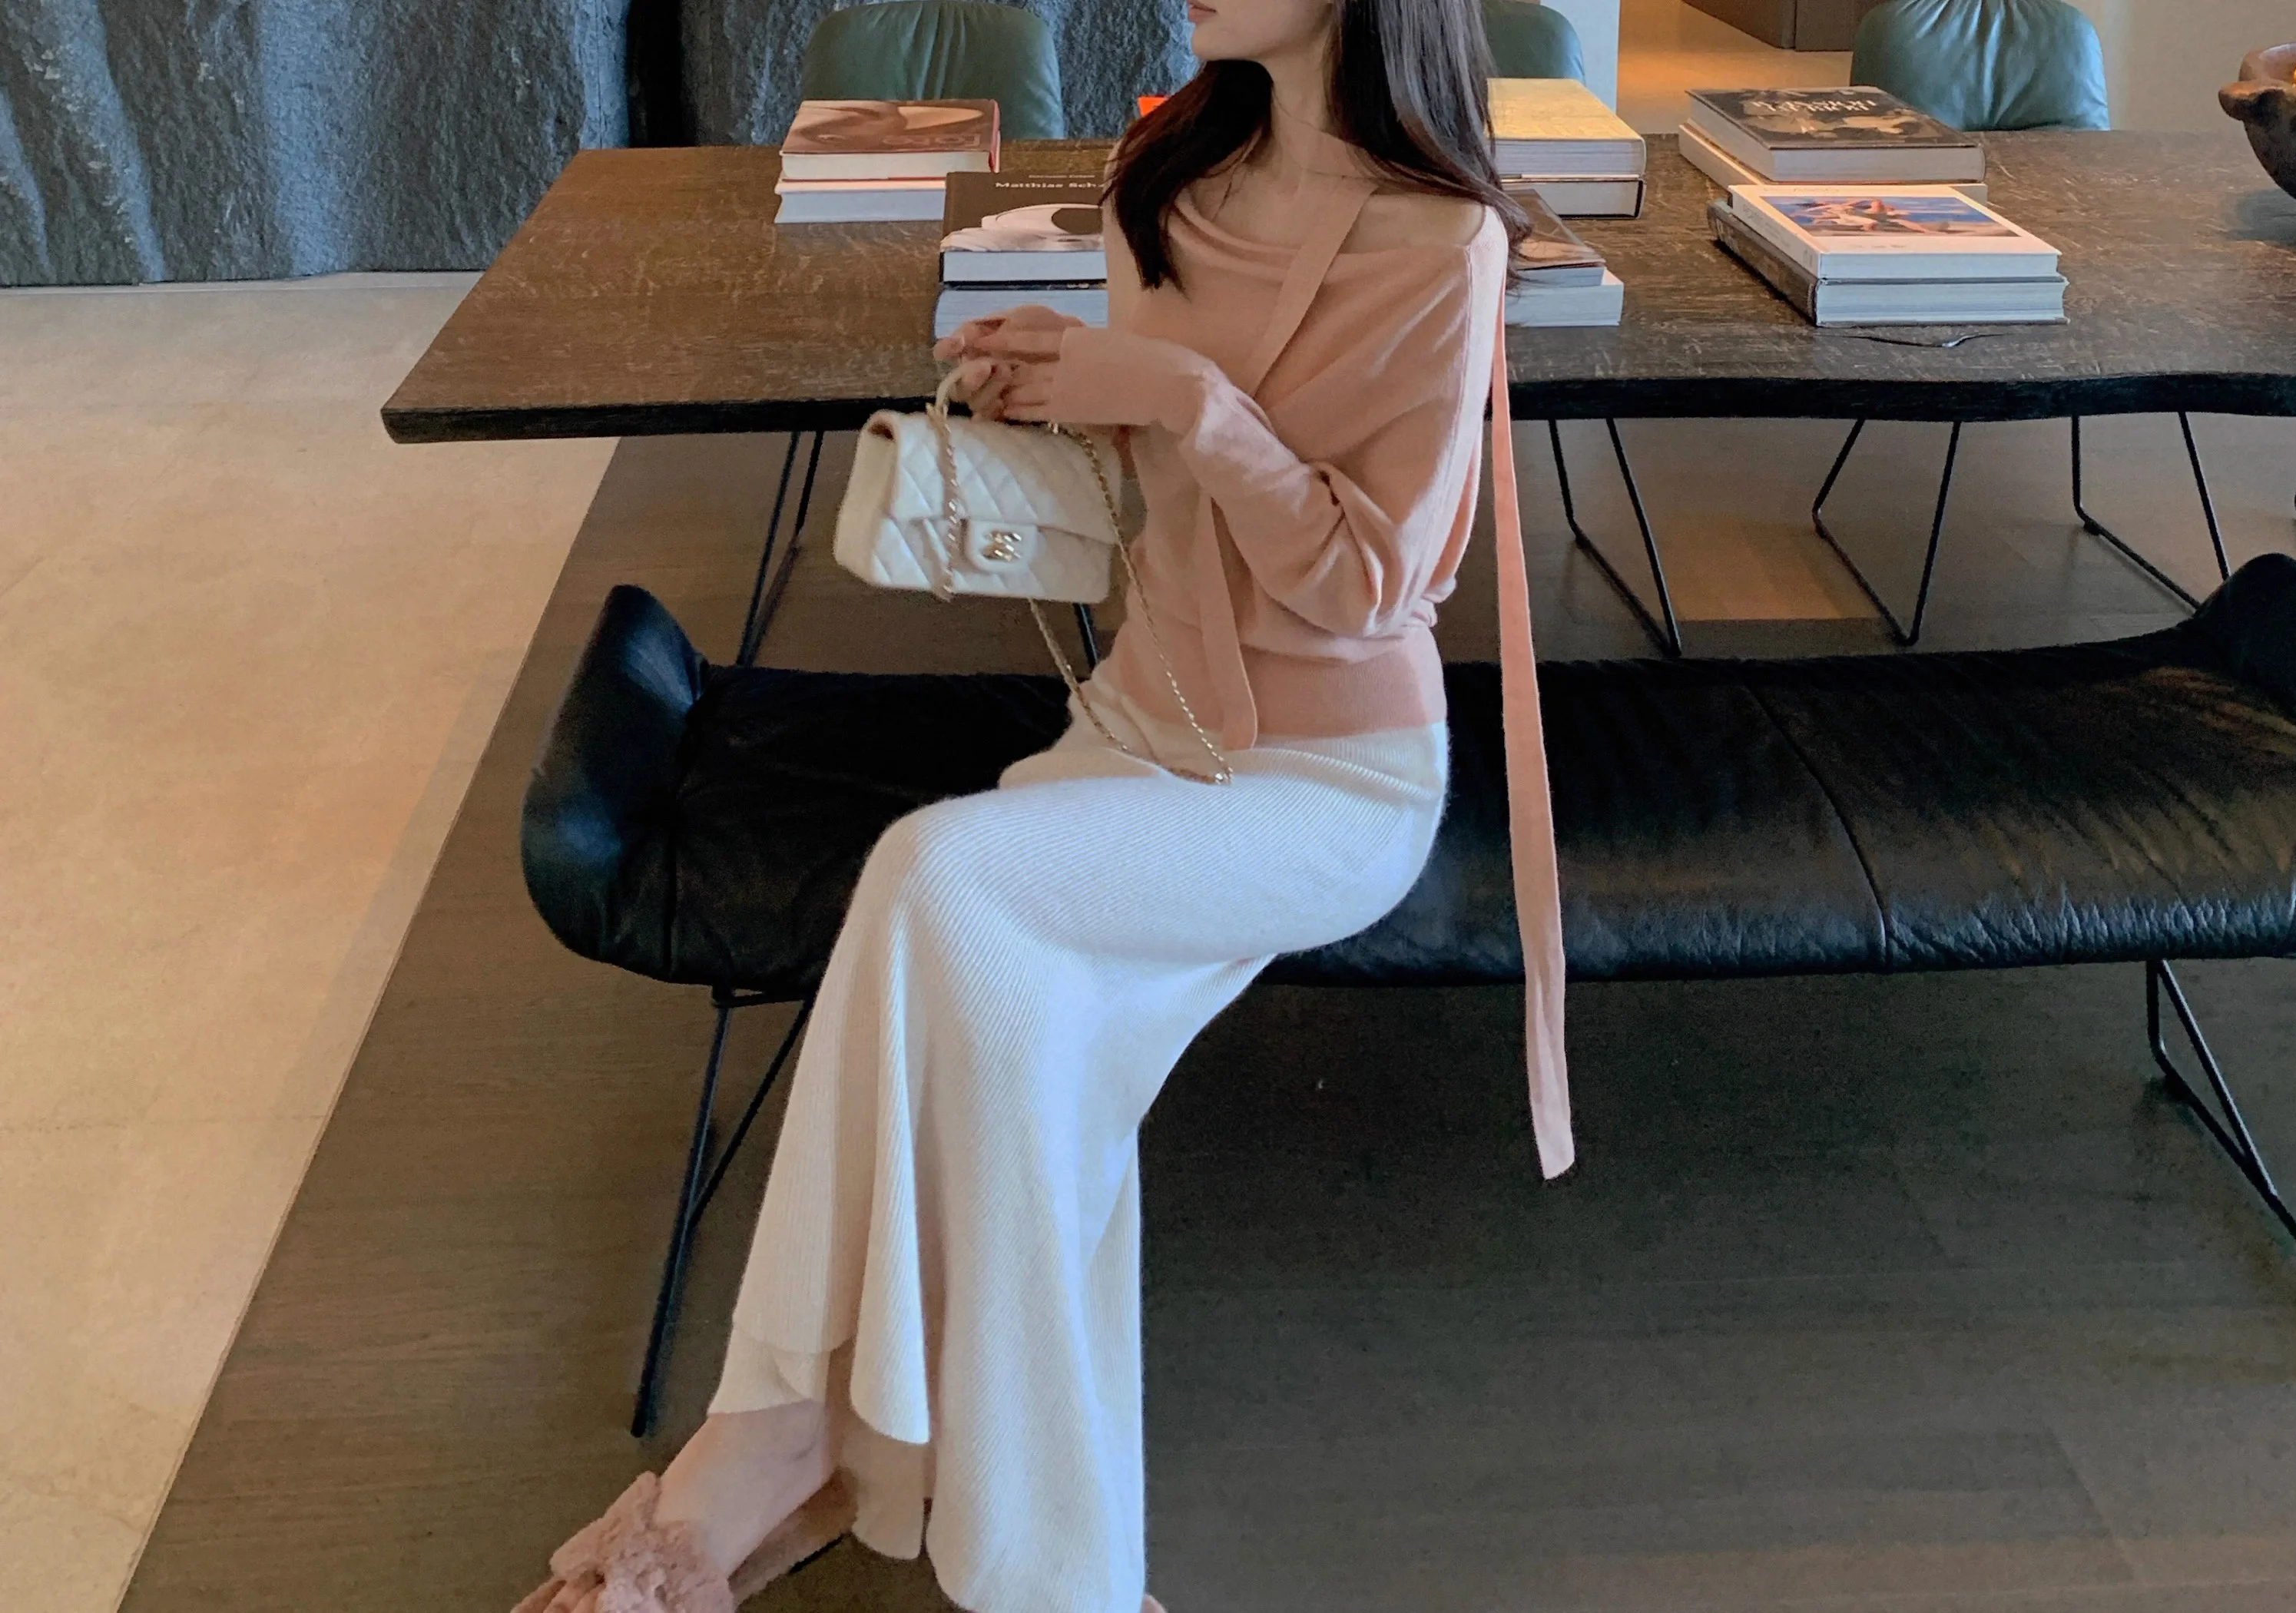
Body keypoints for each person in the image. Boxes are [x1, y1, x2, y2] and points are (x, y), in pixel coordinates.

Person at [514, 1, 1535, 1608]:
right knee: (1014, 1062)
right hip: (1138, 724)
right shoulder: (1168, 176)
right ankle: (1014, 1551)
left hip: (1328, 783)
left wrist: (1186, 396)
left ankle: (767, 1446)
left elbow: (1366, 585)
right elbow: (1154, 506)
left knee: (936, 875)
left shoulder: (1443, 242)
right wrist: (1067, 400)